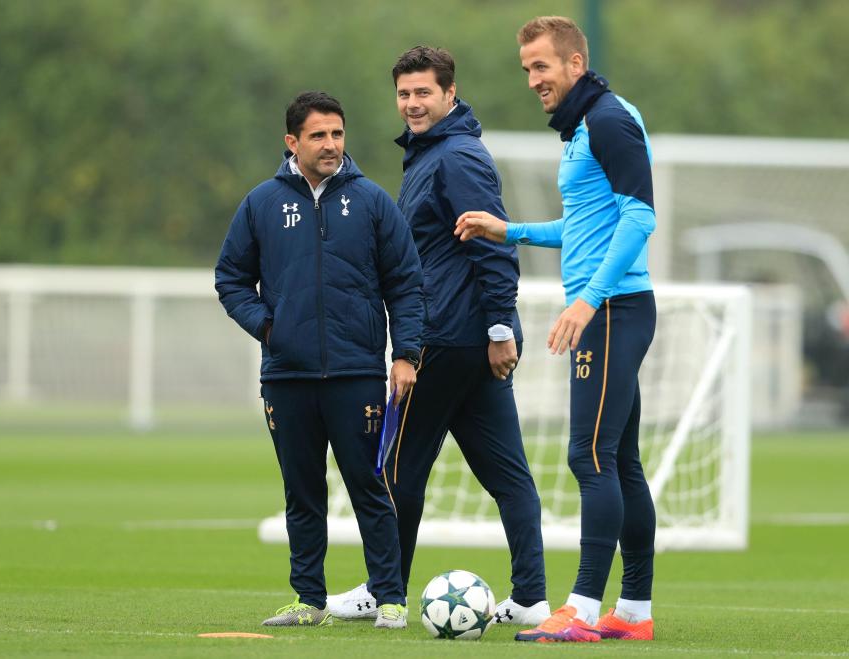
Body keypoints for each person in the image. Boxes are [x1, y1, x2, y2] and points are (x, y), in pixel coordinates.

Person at [328, 46, 550, 630]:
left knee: (397, 469)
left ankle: (386, 591)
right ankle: (530, 597)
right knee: (508, 475)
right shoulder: (431, 155)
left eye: (424, 92)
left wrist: (500, 329)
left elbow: (495, 243)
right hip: (467, 342)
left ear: (450, 94)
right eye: (404, 94)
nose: (412, 104)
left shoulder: (456, 158)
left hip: (448, 340)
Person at [455, 15, 658, 643]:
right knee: (621, 460)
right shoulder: (582, 128)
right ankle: (634, 613)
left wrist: (588, 301)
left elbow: (641, 216)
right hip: (615, 307)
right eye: (527, 69)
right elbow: (586, 228)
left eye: (542, 66)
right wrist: (509, 230)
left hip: (614, 310)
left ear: (575, 63)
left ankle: (583, 609)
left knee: (589, 455)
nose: (533, 80)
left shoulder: (607, 120)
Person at [215, 91, 424, 629]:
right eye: (318, 135)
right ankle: (308, 599)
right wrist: (268, 326)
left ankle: (390, 596)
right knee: (301, 490)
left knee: (368, 486)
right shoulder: (261, 202)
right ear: (293, 142)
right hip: (286, 376)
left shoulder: (373, 201)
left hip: (356, 374)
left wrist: (406, 355)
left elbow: (406, 285)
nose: (331, 144)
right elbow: (230, 278)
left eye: (337, 133)